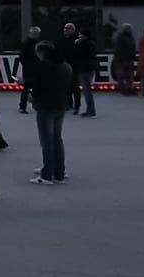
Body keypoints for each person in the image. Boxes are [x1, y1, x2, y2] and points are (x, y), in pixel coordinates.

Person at [26, 41, 72, 184]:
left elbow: (40, 85)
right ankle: (59, 171)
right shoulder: (65, 66)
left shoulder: (44, 66)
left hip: (46, 106)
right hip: (61, 105)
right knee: (57, 139)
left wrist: (32, 96)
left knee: (47, 141)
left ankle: (47, 174)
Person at [69, 23, 100, 118]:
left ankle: (91, 111)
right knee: (86, 91)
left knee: (87, 91)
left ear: (84, 35)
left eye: (80, 34)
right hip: (88, 69)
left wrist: (77, 44)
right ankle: (89, 110)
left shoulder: (84, 44)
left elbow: (79, 54)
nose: (79, 36)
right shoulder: (90, 44)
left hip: (84, 69)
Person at [17, 26, 43, 114]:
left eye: (37, 34)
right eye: (34, 33)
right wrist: (28, 65)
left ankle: (36, 104)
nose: (36, 35)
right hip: (29, 69)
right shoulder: (26, 44)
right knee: (26, 87)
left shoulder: (39, 44)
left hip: (36, 68)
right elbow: (22, 57)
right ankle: (22, 105)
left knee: (37, 87)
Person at [113, 23, 139, 95]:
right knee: (121, 75)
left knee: (129, 75)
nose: (129, 30)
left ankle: (129, 88)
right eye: (128, 28)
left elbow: (133, 47)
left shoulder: (131, 37)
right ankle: (122, 89)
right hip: (121, 59)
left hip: (129, 59)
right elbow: (118, 49)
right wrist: (120, 58)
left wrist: (133, 56)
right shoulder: (120, 37)